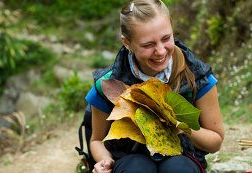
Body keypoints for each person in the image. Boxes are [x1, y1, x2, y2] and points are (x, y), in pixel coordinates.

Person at [85, 0, 224, 172]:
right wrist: (104, 162)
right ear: (127, 43)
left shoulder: (198, 77)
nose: (160, 51)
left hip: (182, 156)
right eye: (148, 45)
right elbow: (96, 140)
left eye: (166, 38)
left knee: (178, 168)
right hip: (128, 158)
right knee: (137, 168)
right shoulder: (108, 83)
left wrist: (181, 127)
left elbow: (215, 142)